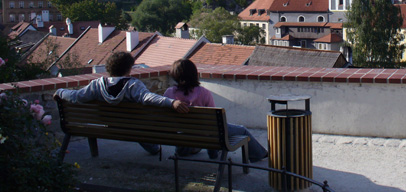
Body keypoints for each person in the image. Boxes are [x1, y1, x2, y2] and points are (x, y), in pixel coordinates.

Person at [145, 59, 268, 162]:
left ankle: (186, 149)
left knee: (195, 129)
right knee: (241, 130)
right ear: (194, 74)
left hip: (182, 136)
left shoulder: (169, 93)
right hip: (206, 135)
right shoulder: (203, 93)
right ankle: (258, 155)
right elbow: (214, 122)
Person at [54, 51, 189, 143]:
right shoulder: (132, 85)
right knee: (138, 126)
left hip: (107, 128)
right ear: (129, 69)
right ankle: (152, 148)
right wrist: (171, 103)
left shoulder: (97, 85)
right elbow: (147, 97)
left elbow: (76, 96)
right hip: (132, 128)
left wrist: (60, 92)